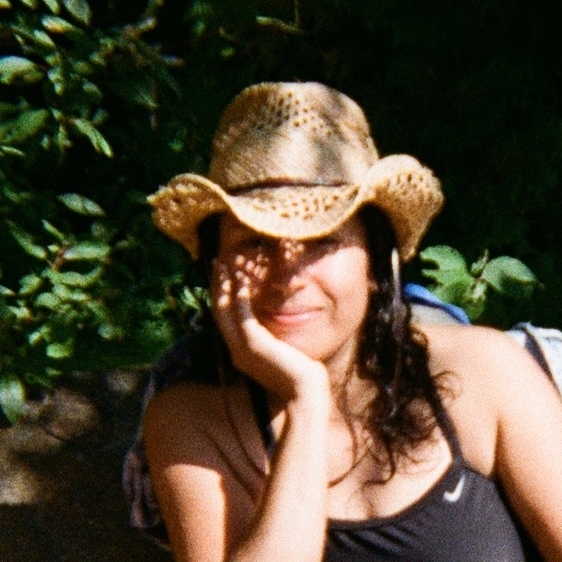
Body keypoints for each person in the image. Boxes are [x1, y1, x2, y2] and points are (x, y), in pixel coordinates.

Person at [134, 82, 562, 561]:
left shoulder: (481, 374)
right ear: (216, 271)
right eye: (254, 242)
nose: (288, 276)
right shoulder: (193, 424)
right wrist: (306, 399)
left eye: (322, 241)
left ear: (376, 264)